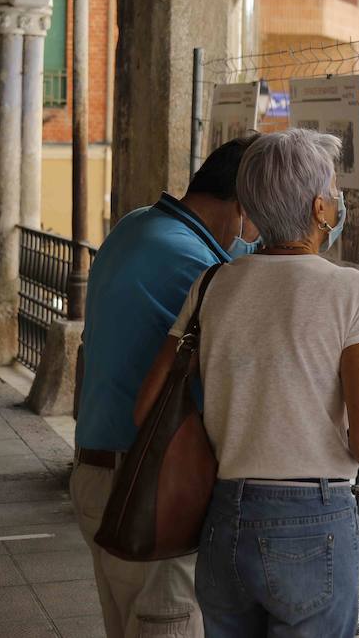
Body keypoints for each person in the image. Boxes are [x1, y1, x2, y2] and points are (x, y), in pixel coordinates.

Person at [136, 128, 359, 635]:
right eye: (334, 193)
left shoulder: (214, 282)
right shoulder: (353, 291)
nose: (338, 203)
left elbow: (148, 405)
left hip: (226, 515)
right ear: (320, 209)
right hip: (312, 522)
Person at [71, 134, 260, 638]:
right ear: (243, 205)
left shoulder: (139, 225)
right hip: (153, 488)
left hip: (104, 473)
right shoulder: (195, 266)